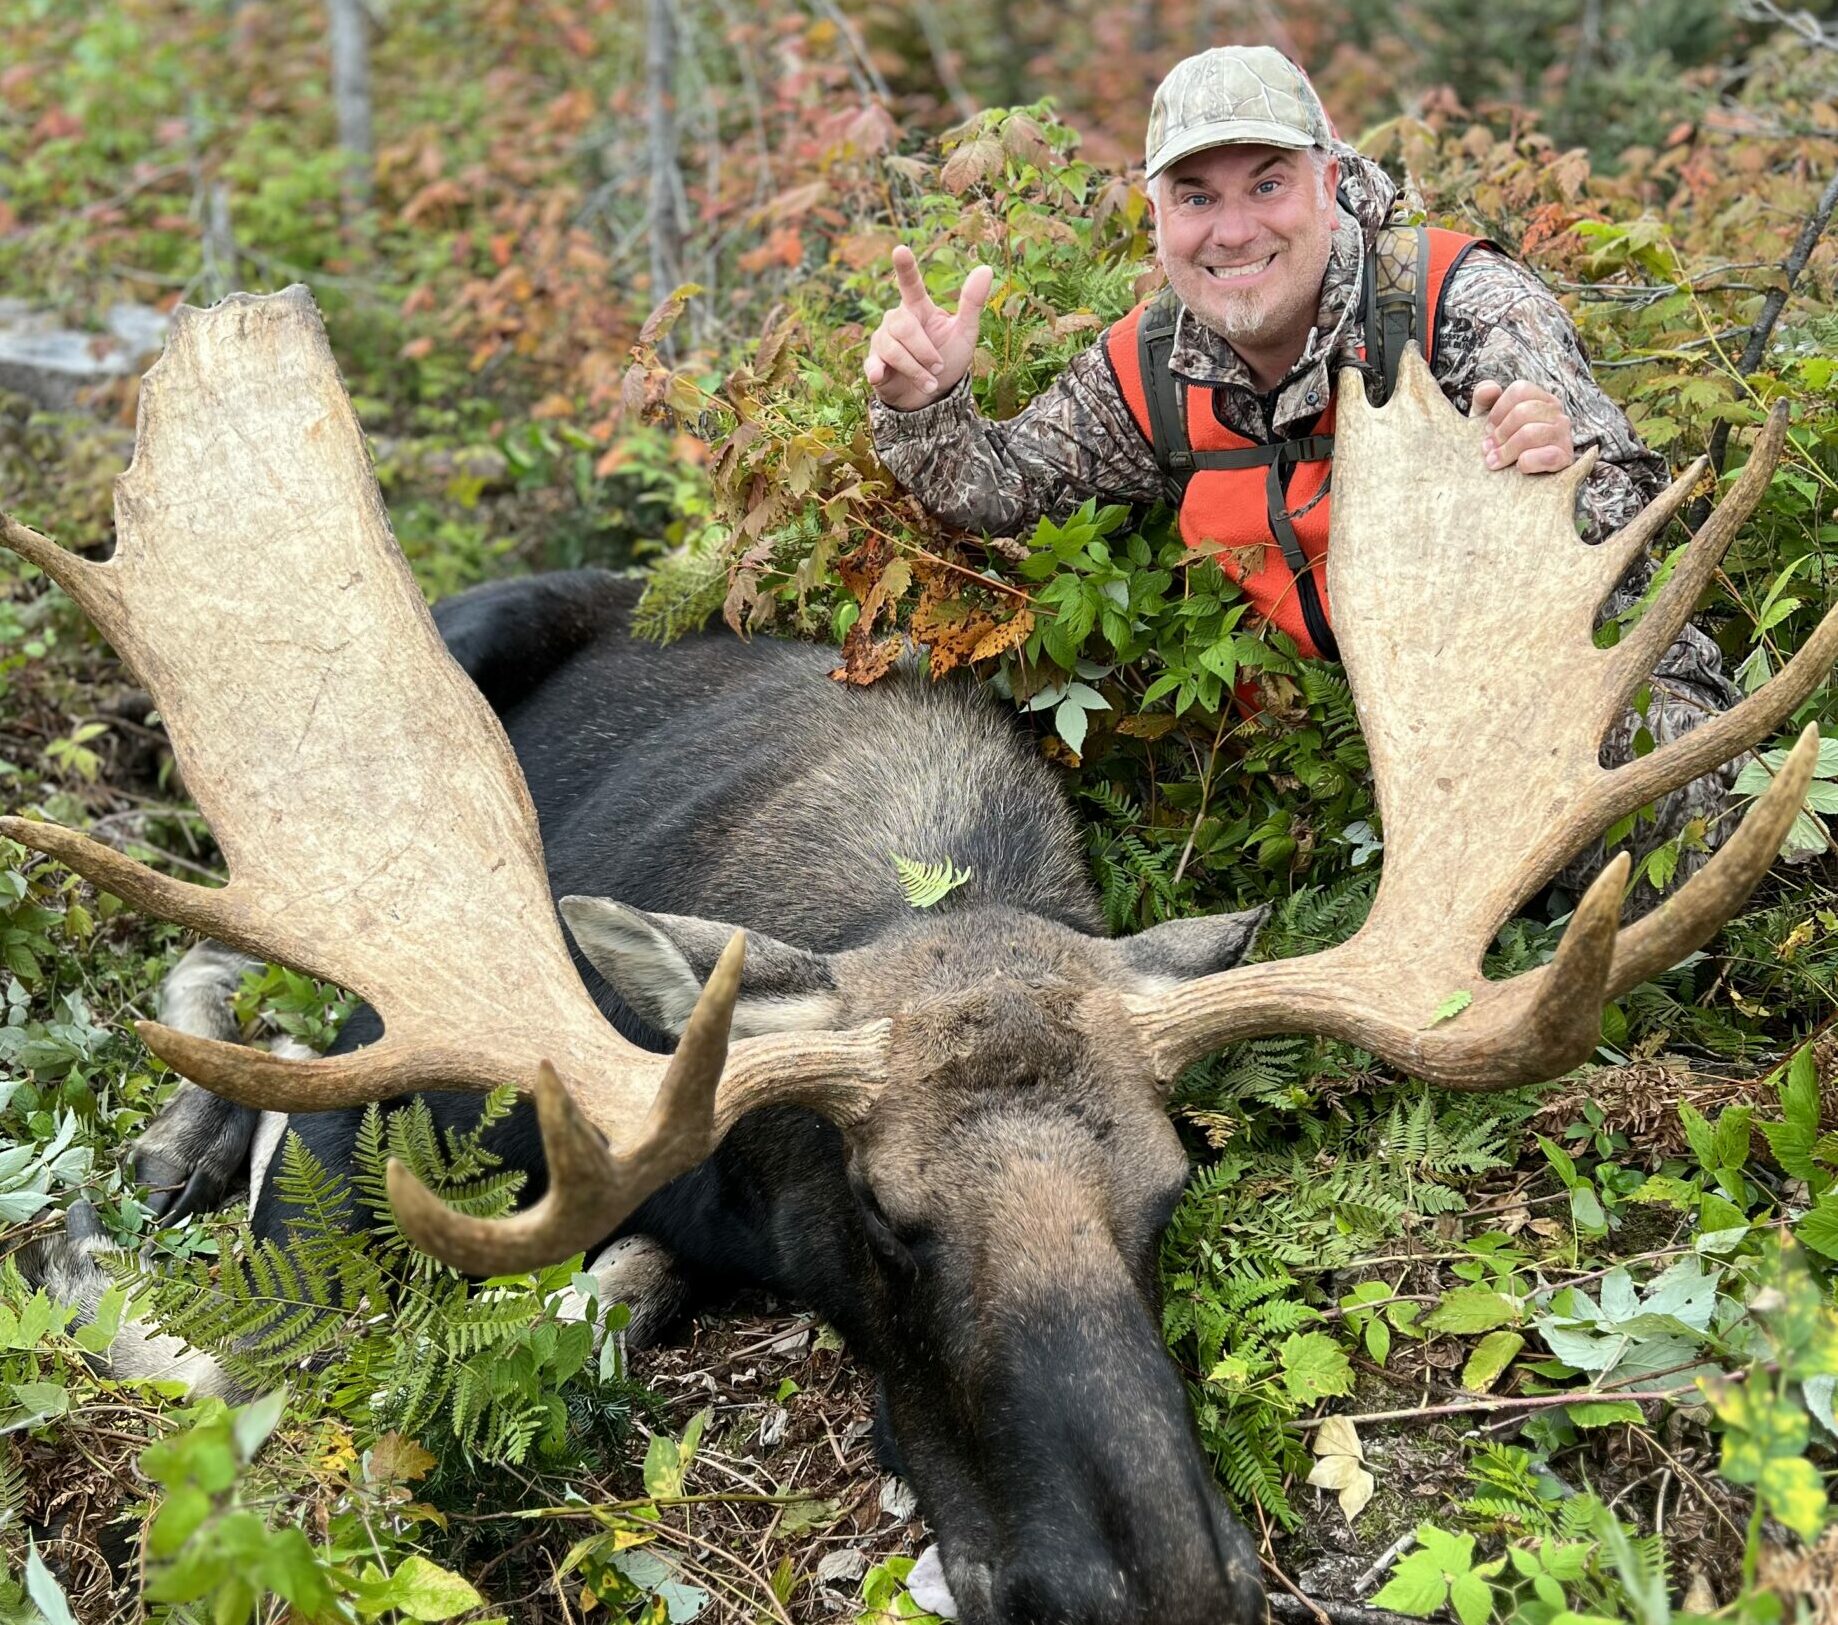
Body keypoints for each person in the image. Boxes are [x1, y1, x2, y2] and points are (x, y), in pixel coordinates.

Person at [863, 44, 1742, 908]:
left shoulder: (1457, 305)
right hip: (1308, 764)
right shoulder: (1151, 365)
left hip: (1508, 711)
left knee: (1674, 806)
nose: (1234, 230)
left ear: (1328, 181)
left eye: (1268, 184)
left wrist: (1553, 478)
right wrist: (927, 404)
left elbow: (1634, 543)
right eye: (1196, 197)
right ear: (1157, 217)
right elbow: (1002, 489)